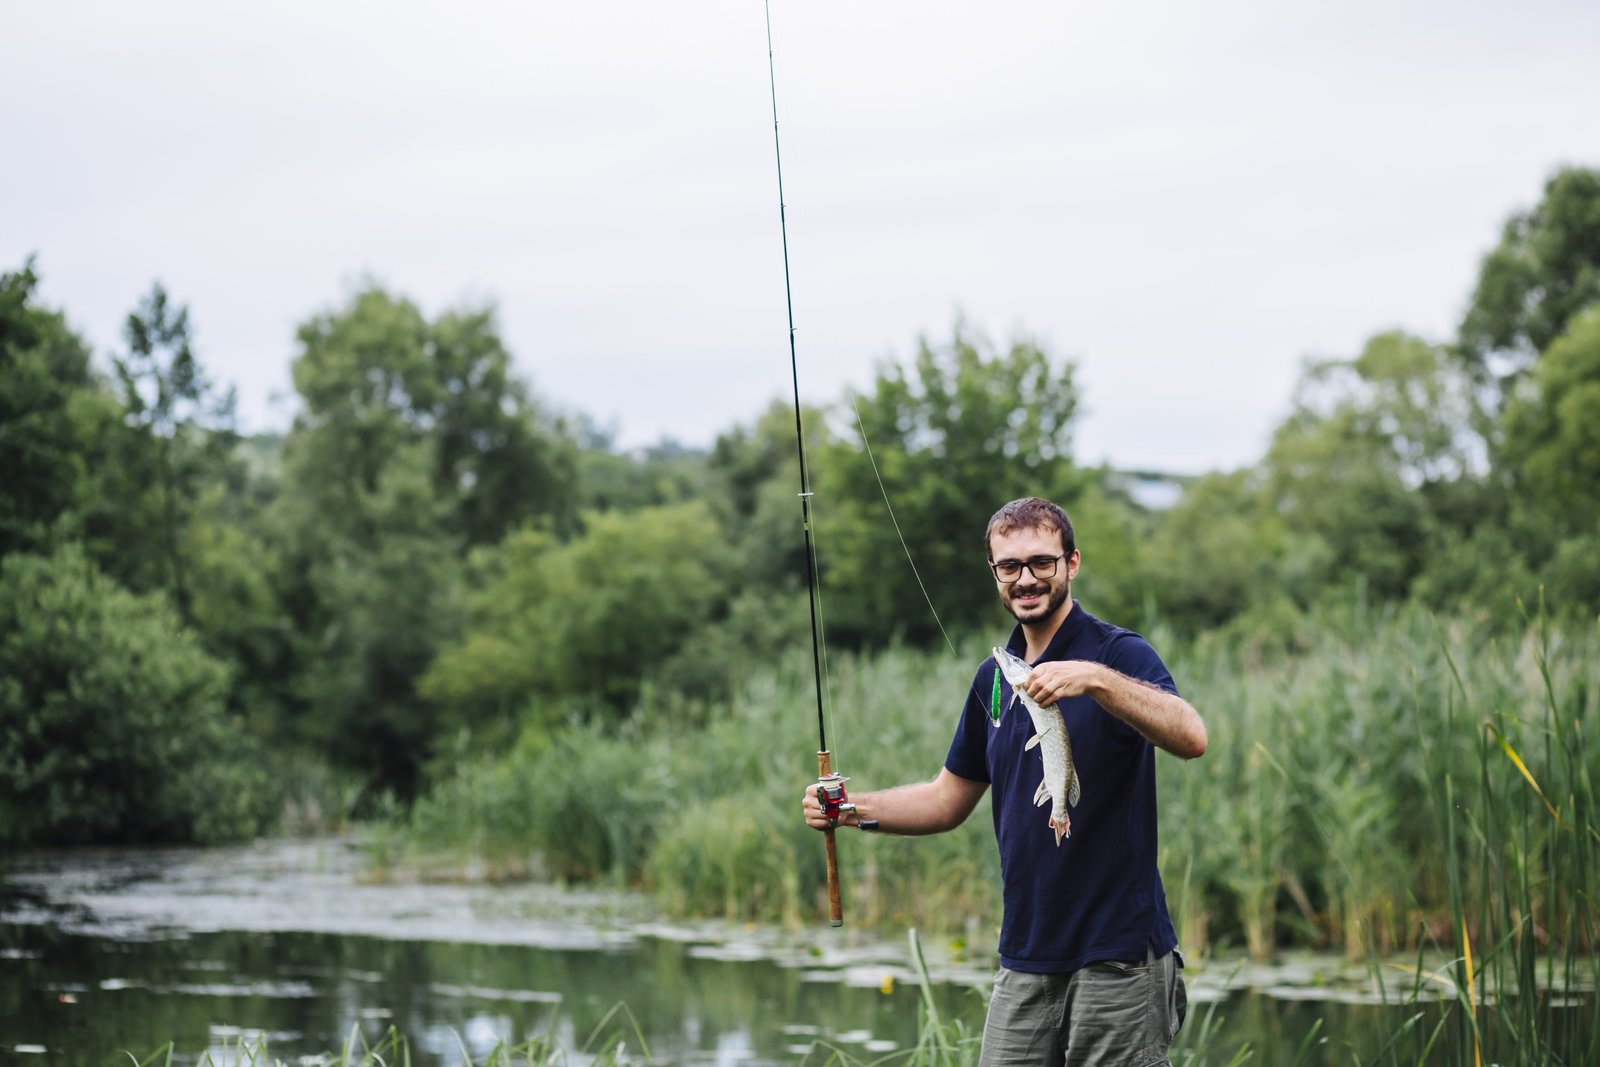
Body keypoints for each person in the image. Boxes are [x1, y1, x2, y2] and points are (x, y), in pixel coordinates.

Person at [802, 496, 1207, 1067]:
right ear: (995, 574)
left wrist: (1095, 681)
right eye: (1009, 567)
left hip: (1119, 955)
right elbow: (946, 800)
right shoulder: (994, 679)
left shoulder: (1117, 654)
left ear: (1071, 563)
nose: (1026, 580)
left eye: (1041, 562)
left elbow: (1191, 735)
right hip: (1027, 953)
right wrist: (848, 809)